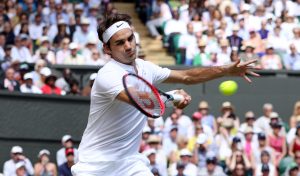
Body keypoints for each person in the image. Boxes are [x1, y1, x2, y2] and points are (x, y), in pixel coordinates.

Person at [71, 13, 258, 176]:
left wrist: (225, 70)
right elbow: (141, 100)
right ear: (107, 49)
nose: (128, 46)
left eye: (130, 38)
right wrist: (173, 98)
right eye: (120, 43)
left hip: (128, 162)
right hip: (95, 166)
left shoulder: (145, 67)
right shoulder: (108, 75)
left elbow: (185, 76)